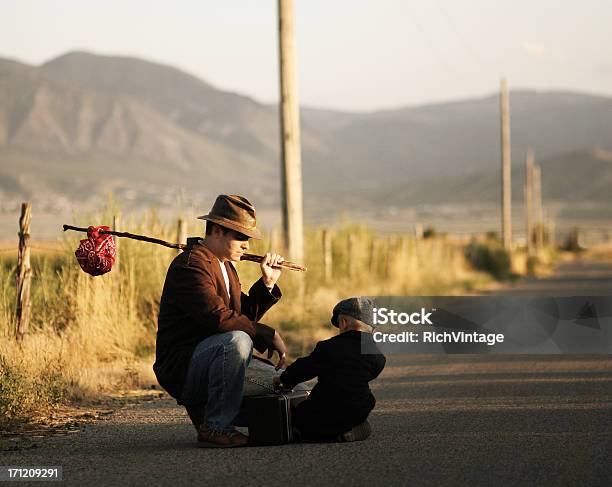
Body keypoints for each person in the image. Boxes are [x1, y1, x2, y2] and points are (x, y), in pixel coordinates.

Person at [153, 194, 289, 448]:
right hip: (186, 368)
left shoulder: (225, 266)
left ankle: (218, 415)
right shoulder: (190, 266)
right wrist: (267, 334)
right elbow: (219, 318)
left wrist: (268, 282)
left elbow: (242, 316)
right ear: (216, 231)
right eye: (241, 236)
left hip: (219, 361)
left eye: (248, 238)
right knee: (236, 340)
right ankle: (215, 427)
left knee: (296, 386)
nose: (247, 245)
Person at [274, 296, 386, 442]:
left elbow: (304, 368)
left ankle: (317, 433)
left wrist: (284, 379)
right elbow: (373, 371)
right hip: (358, 409)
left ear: (344, 323)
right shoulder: (376, 355)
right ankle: (349, 429)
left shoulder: (328, 348)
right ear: (372, 330)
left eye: (339, 323)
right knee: (366, 400)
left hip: (325, 409)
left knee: (301, 414)